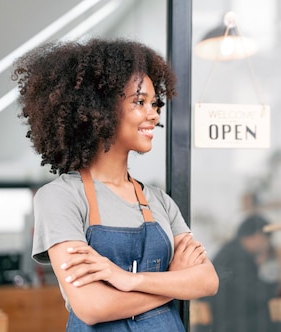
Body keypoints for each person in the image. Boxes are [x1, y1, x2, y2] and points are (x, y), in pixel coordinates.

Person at [13, 38, 219, 331]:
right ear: (101, 109)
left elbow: (207, 280)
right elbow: (93, 306)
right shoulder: (60, 198)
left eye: (154, 103)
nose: (154, 114)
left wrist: (128, 279)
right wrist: (175, 282)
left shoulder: (160, 201)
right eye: (139, 102)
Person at [207, 214, 281, 332]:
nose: (266, 245)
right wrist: (280, 286)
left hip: (225, 321)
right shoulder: (238, 257)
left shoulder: (230, 251)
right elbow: (255, 293)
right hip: (234, 323)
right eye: (266, 240)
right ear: (257, 236)